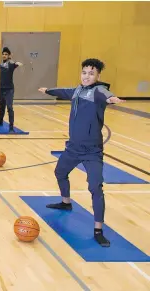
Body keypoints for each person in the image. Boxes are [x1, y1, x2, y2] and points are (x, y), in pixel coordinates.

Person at [38, 58, 124, 247]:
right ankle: (66, 201)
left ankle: (98, 229)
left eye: (91, 73)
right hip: (73, 149)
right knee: (60, 172)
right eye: (84, 72)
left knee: (95, 187)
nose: (87, 76)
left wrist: (112, 99)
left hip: (92, 152)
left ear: (98, 76)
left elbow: (106, 95)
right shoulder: (77, 90)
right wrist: (48, 90)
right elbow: (63, 91)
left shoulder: (99, 91)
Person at [0, 47, 23, 132]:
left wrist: (17, 63)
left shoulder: (11, 64)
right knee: (1, 106)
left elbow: (15, 64)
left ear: (9, 55)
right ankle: (0, 121)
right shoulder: (2, 64)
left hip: (9, 90)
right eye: (3, 54)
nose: (4, 55)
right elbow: (0, 66)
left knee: (9, 107)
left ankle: (11, 127)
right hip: (2, 89)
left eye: (6, 54)